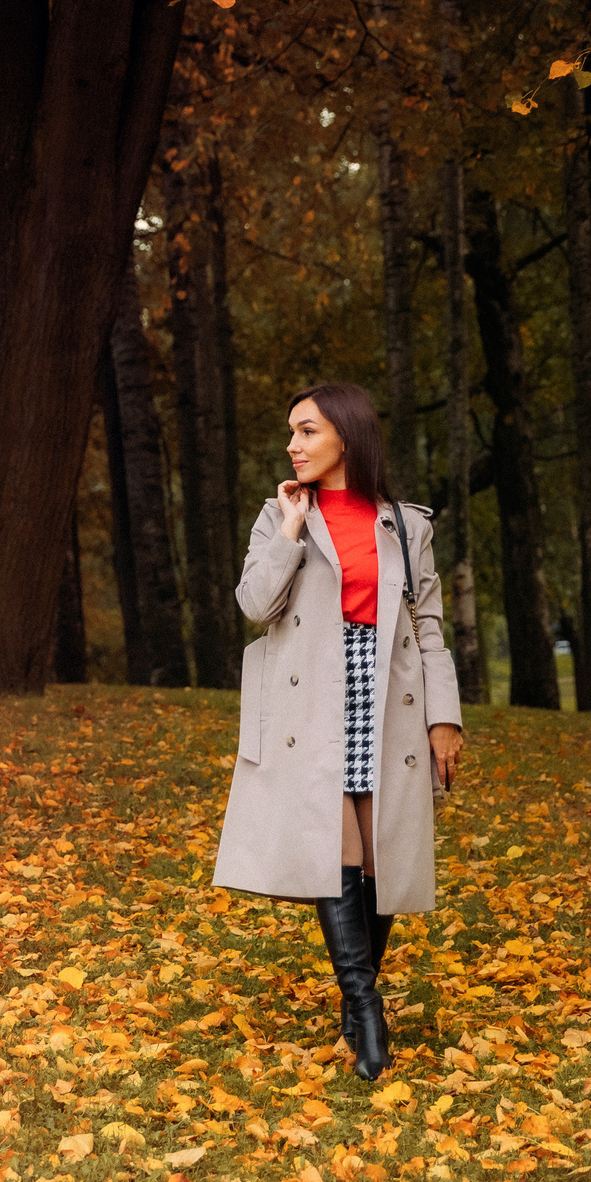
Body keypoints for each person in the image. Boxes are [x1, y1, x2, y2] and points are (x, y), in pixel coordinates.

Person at [213, 383, 463, 1080]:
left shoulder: (408, 526)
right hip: (312, 700)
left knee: (380, 862)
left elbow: (430, 627)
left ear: (345, 437)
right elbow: (254, 604)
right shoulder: (280, 514)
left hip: (389, 695)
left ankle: (359, 1009)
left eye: (306, 431)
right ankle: (367, 1010)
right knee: (338, 849)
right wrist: (292, 531)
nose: (292, 445)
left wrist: (445, 719)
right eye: (292, 432)